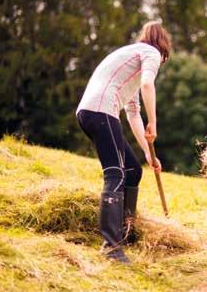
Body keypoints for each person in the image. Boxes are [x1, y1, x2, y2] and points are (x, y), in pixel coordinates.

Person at [76, 21, 170, 263]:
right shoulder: (150, 53)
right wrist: (155, 123)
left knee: (133, 170)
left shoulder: (130, 57)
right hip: (101, 111)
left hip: (91, 112)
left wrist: (148, 154)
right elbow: (148, 84)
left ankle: (126, 234)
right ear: (162, 50)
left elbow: (133, 112)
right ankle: (111, 247)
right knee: (115, 174)